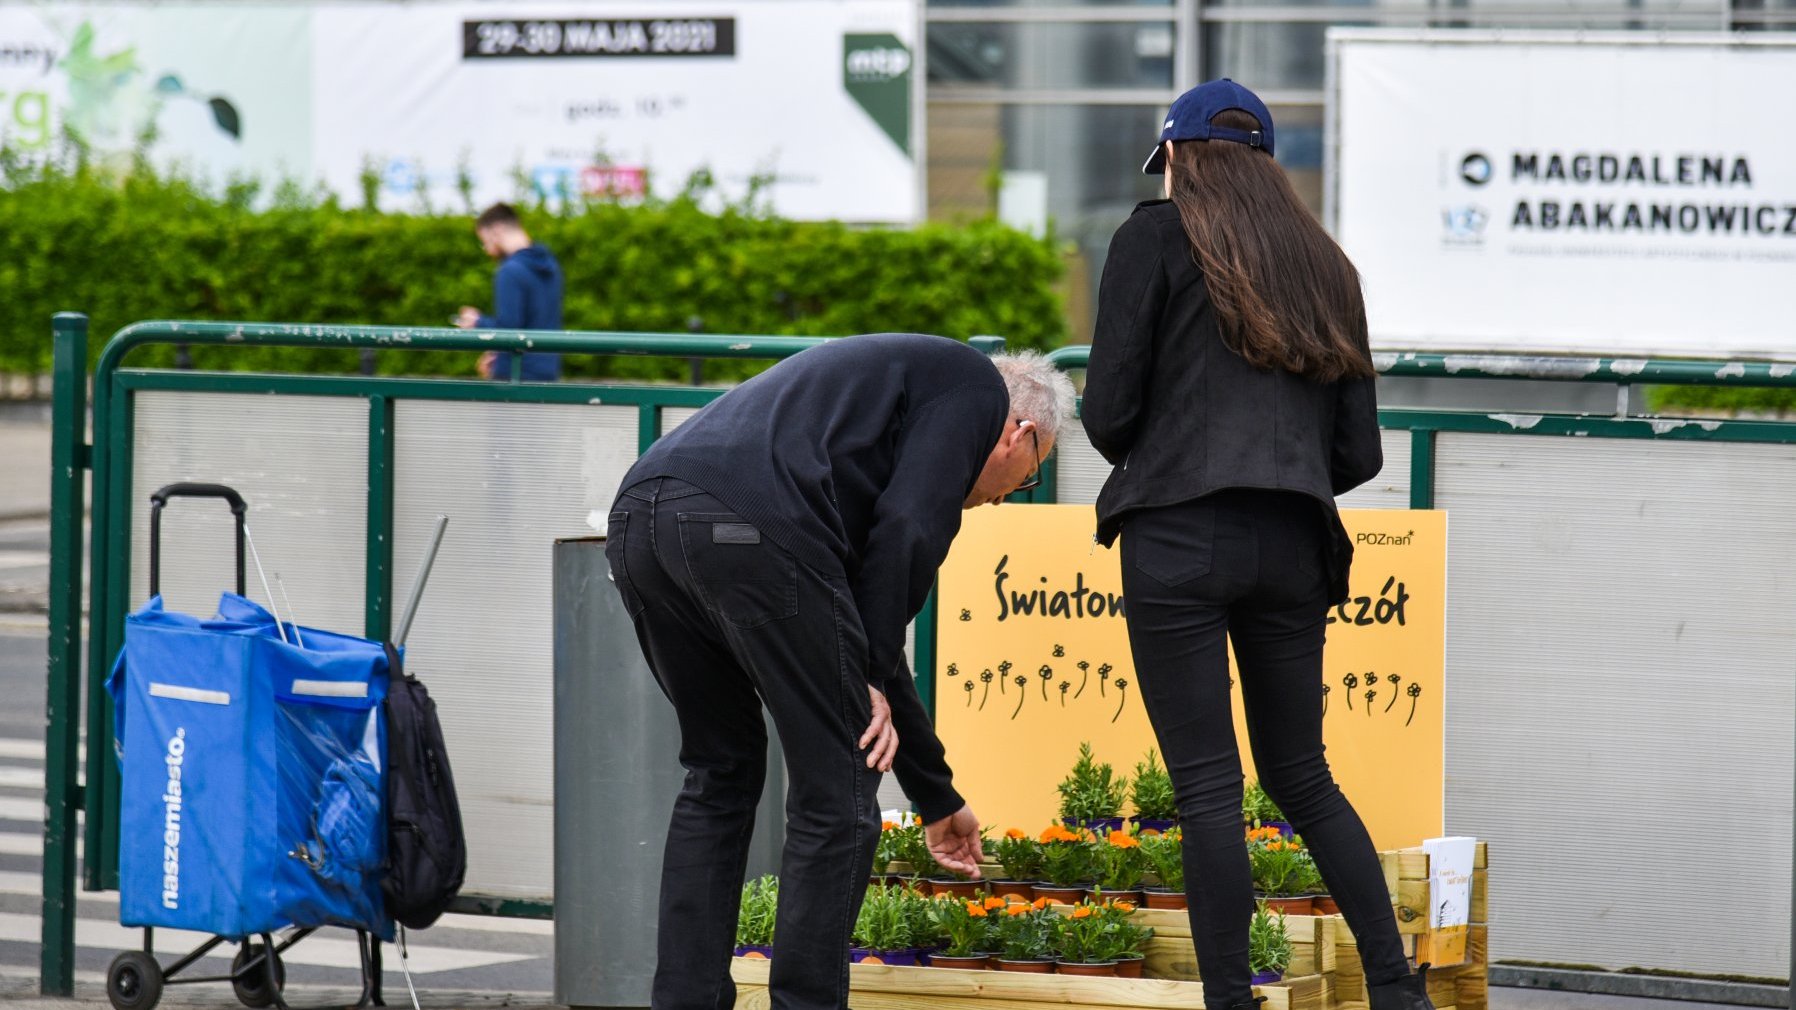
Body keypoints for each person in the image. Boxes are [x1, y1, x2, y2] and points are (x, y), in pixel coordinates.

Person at [1081, 79, 1430, 1010]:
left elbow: (1108, 409)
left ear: (1180, 157)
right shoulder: (1330, 267)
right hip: (1296, 544)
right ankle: (1396, 989)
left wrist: (1169, 459)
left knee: (1207, 789)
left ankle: (1233, 1003)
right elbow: (1357, 452)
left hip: (1177, 536)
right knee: (1303, 776)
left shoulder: (1150, 240)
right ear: (1268, 168)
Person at [605, 334, 1074, 1010]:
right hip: (752, 525)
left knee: (720, 771)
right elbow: (911, 530)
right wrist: (868, 682)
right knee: (840, 784)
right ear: (1019, 433)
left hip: (643, 520)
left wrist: (935, 796)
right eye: (1030, 476)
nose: (1007, 499)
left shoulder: (852, 442)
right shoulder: (975, 385)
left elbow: (861, 642)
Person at [455, 202, 564, 381]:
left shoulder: (510, 270)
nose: (488, 251)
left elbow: (508, 331)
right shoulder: (550, 264)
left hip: (515, 373)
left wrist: (477, 322)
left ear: (496, 230)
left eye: (485, 242)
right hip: (548, 371)